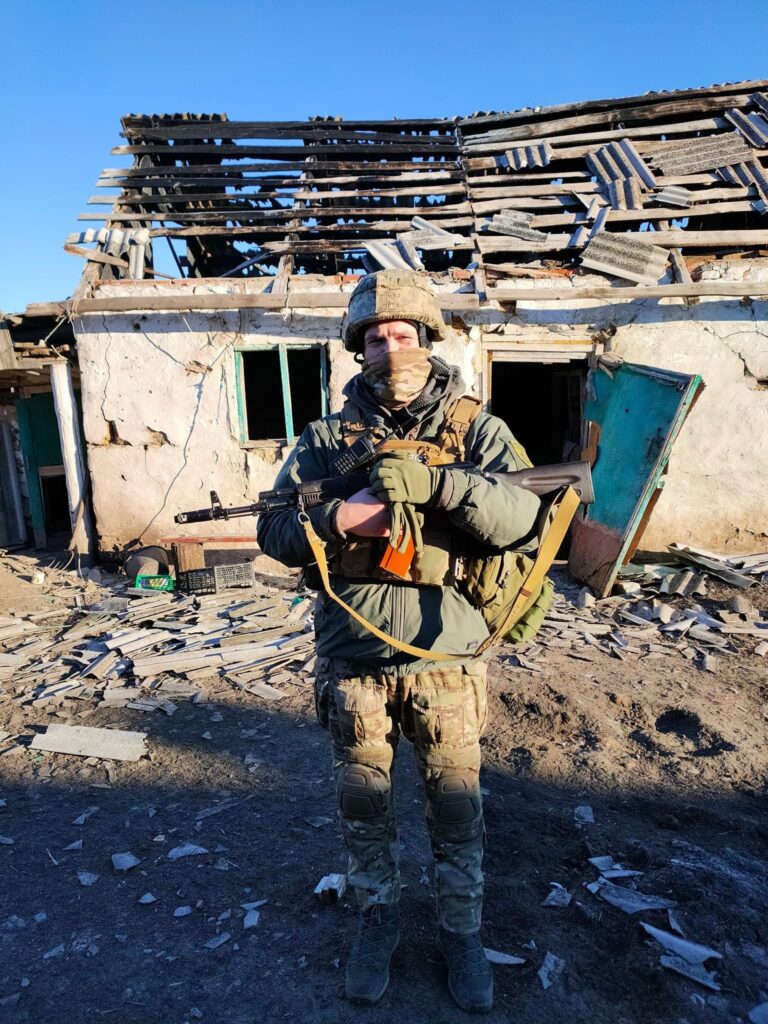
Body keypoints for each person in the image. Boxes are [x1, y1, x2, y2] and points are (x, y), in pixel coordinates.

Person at [257, 270, 540, 1012]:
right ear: (359, 348)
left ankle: (461, 934)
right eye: (376, 337)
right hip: (354, 655)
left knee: (455, 805)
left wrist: (440, 488)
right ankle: (376, 921)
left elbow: (522, 520)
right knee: (364, 802)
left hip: (446, 655)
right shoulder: (326, 439)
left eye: (403, 333)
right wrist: (343, 518)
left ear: (428, 337)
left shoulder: (478, 430)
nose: (391, 348)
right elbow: (274, 530)